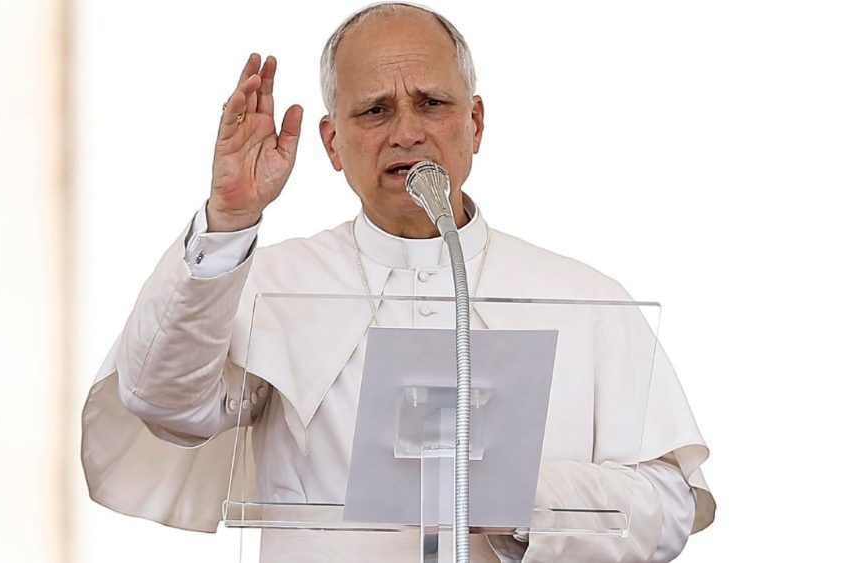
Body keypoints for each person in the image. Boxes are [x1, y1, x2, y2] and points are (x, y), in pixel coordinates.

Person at [80, 4, 715, 562]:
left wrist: (522, 498)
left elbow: (667, 505)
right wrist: (228, 220)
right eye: (375, 110)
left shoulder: (585, 298)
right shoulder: (272, 285)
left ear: (476, 123)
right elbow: (164, 404)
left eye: (432, 104)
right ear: (332, 142)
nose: (406, 131)